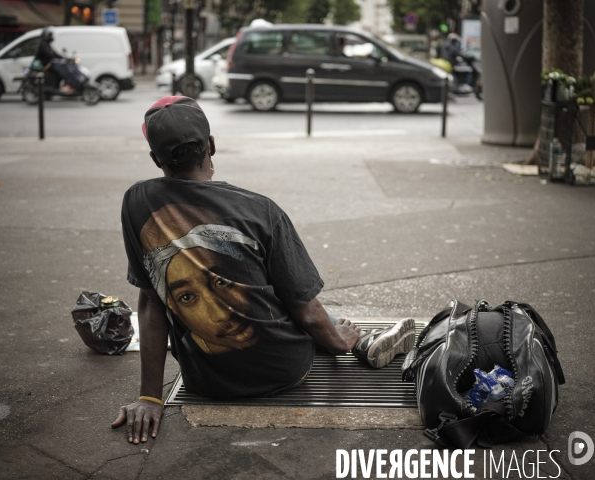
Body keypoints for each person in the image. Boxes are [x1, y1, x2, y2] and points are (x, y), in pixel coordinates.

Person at [111, 96, 416, 444]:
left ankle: (336, 332)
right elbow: (306, 310)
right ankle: (357, 339)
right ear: (211, 145)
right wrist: (339, 342)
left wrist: (150, 396)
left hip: (207, 383)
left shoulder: (137, 202)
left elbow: (150, 302)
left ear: (155, 159)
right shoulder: (260, 210)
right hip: (285, 370)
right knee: (301, 302)